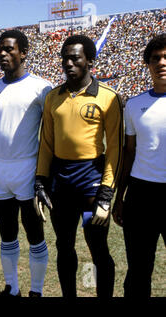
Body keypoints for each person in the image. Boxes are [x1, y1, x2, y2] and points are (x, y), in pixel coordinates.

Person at [35, 35, 123, 298]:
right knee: (64, 246)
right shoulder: (53, 98)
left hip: (91, 182)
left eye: (76, 58)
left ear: (90, 62)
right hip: (60, 182)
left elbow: (116, 150)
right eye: (65, 58)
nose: (69, 63)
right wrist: (40, 181)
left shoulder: (108, 97)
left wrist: (107, 194)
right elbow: (46, 144)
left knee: (98, 248)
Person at [0, 29, 52, 297]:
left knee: (34, 234)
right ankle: (12, 288)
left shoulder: (41, 87)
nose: (3, 54)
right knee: (7, 234)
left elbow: (50, 133)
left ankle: (37, 290)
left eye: (9, 49)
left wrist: (44, 174)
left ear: (23, 52)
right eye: (0, 50)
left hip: (29, 170)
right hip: (0, 171)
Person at [112, 33, 166, 298]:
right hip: (141, 194)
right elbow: (129, 153)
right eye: (156, 58)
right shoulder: (134, 105)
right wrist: (119, 197)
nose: (162, 62)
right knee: (138, 270)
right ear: (148, 64)